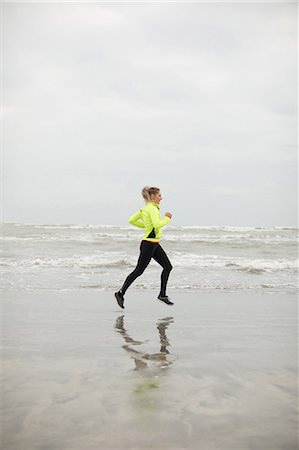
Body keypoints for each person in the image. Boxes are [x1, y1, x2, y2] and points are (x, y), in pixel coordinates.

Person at [115, 186, 173, 309]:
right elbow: (157, 225)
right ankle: (120, 293)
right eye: (159, 196)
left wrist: (146, 226)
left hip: (154, 243)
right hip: (148, 244)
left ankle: (162, 295)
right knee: (139, 270)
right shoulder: (152, 208)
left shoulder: (147, 208)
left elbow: (132, 220)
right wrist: (167, 218)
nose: (161, 198)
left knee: (168, 267)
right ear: (152, 197)